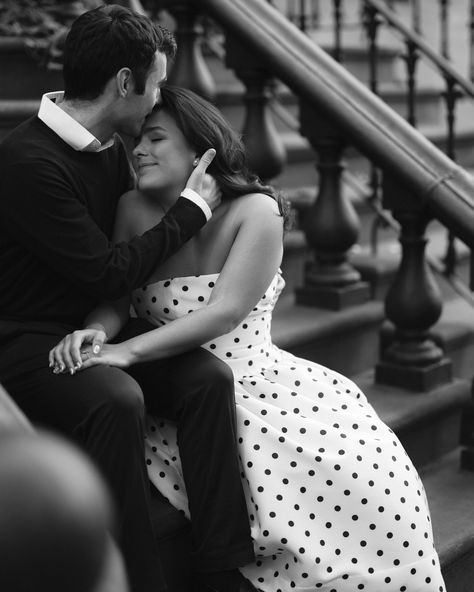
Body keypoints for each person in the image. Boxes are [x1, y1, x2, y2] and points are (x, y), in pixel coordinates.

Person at [50, 85, 447, 592]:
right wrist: (98, 331)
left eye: (155, 139)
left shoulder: (256, 212)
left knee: (360, 470)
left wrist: (127, 350)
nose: (140, 150)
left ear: (201, 152)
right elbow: (117, 294)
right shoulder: (131, 208)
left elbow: (225, 312)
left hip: (252, 380)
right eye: (137, 142)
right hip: (179, 390)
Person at [0, 6, 255, 592]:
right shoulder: (26, 161)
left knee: (209, 379)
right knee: (116, 398)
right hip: (24, 340)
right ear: (124, 82)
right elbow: (108, 268)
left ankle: (220, 566)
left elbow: (119, 260)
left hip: (96, 323)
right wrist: (193, 212)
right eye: (157, 81)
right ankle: (138, 580)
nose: (159, 94)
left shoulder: (109, 146)